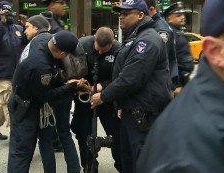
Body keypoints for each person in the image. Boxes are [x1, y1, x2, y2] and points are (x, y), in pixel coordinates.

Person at [137, 0, 224, 172]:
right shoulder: (191, 149)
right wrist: (178, 85)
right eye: (178, 14)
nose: (182, 18)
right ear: (216, 51)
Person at [91, 0, 172, 172]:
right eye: (120, 13)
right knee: (128, 163)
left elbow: (131, 78)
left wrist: (103, 96)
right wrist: (121, 103)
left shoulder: (147, 40)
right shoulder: (136, 37)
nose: (121, 17)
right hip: (133, 112)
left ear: (141, 15)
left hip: (144, 116)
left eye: (126, 13)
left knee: (141, 164)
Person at [7, 30, 82, 173]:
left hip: (25, 95)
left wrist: (62, 81)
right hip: (25, 107)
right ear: (61, 53)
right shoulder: (40, 67)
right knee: (21, 153)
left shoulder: (43, 38)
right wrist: (69, 87)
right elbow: (46, 95)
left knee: (23, 150)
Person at [70, 27, 122, 173]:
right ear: (94, 38)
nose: (99, 53)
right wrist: (78, 82)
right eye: (98, 48)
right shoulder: (82, 45)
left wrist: (102, 86)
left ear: (112, 43)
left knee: (115, 132)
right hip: (85, 98)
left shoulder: (119, 50)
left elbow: (121, 77)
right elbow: (72, 68)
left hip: (108, 97)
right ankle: (89, 165)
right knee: (83, 132)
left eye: (104, 50)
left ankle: (122, 164)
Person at [0, 1, 27, 140]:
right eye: (4, 12)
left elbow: (25, 43)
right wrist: (2, 23)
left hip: (15, 73)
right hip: (1, 74)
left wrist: (26, 27)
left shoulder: (16, 28)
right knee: (10, 103)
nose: (7, 15)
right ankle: (17, 136)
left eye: (9, 12)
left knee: (3, 102)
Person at [41, 0, 68, 152]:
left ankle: (56, 139)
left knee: (60, 109)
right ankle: (53, 140)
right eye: (61, 2)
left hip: (60, 73)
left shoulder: (59, 22)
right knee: (52, 109)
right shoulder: (46, 22)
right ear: (52, 5)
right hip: (51, 73)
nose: (64, 5)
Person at [145, 0, 178, 90]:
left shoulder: (160, 29)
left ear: (151, 9)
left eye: (142, 12)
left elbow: (156, 59)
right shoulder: (151, 24)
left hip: (158, 85)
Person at [162, 1, 194, 96]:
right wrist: (176, 84)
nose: (182, 17)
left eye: (183, 15)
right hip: (177, 84)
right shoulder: (170, 34)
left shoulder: (179, 33)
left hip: (184, 81)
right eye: (178, 15)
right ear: (169, 18)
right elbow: (169, 60)